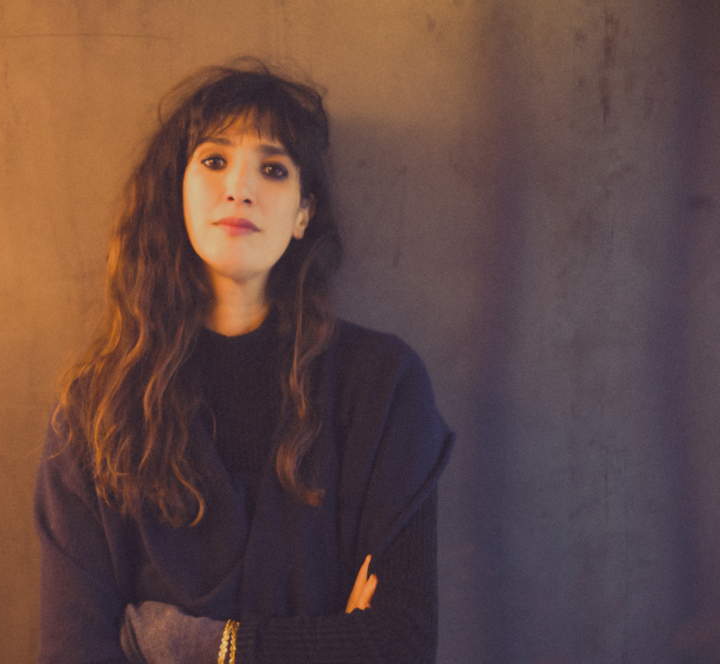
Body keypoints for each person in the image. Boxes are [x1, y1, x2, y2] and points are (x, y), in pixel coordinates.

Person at [34, 60, 454, 664]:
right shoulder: (95, 413)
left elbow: (400, 643)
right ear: (177, 192)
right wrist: (328, 642)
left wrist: (200, 645)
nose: (239, 187)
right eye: (213, 160)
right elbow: (73, 652)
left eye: (273, 168)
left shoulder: (383, 387)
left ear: (304, 214)